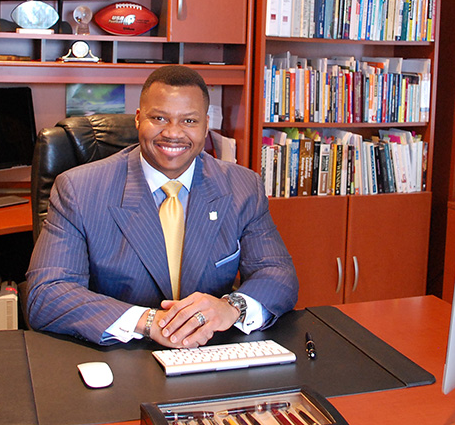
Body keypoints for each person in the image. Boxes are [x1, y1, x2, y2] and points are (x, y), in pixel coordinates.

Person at [26, 65, 299, 347]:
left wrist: (232, 307)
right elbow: (47, 294)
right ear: (138, 119)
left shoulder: (243, 187)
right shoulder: (79, 189)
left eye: (189, 121)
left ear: (206, 126)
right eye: (159, 118)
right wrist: (147, 321)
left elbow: (278, 275)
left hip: (208, 352)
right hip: (120, 354)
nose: (173, 133)